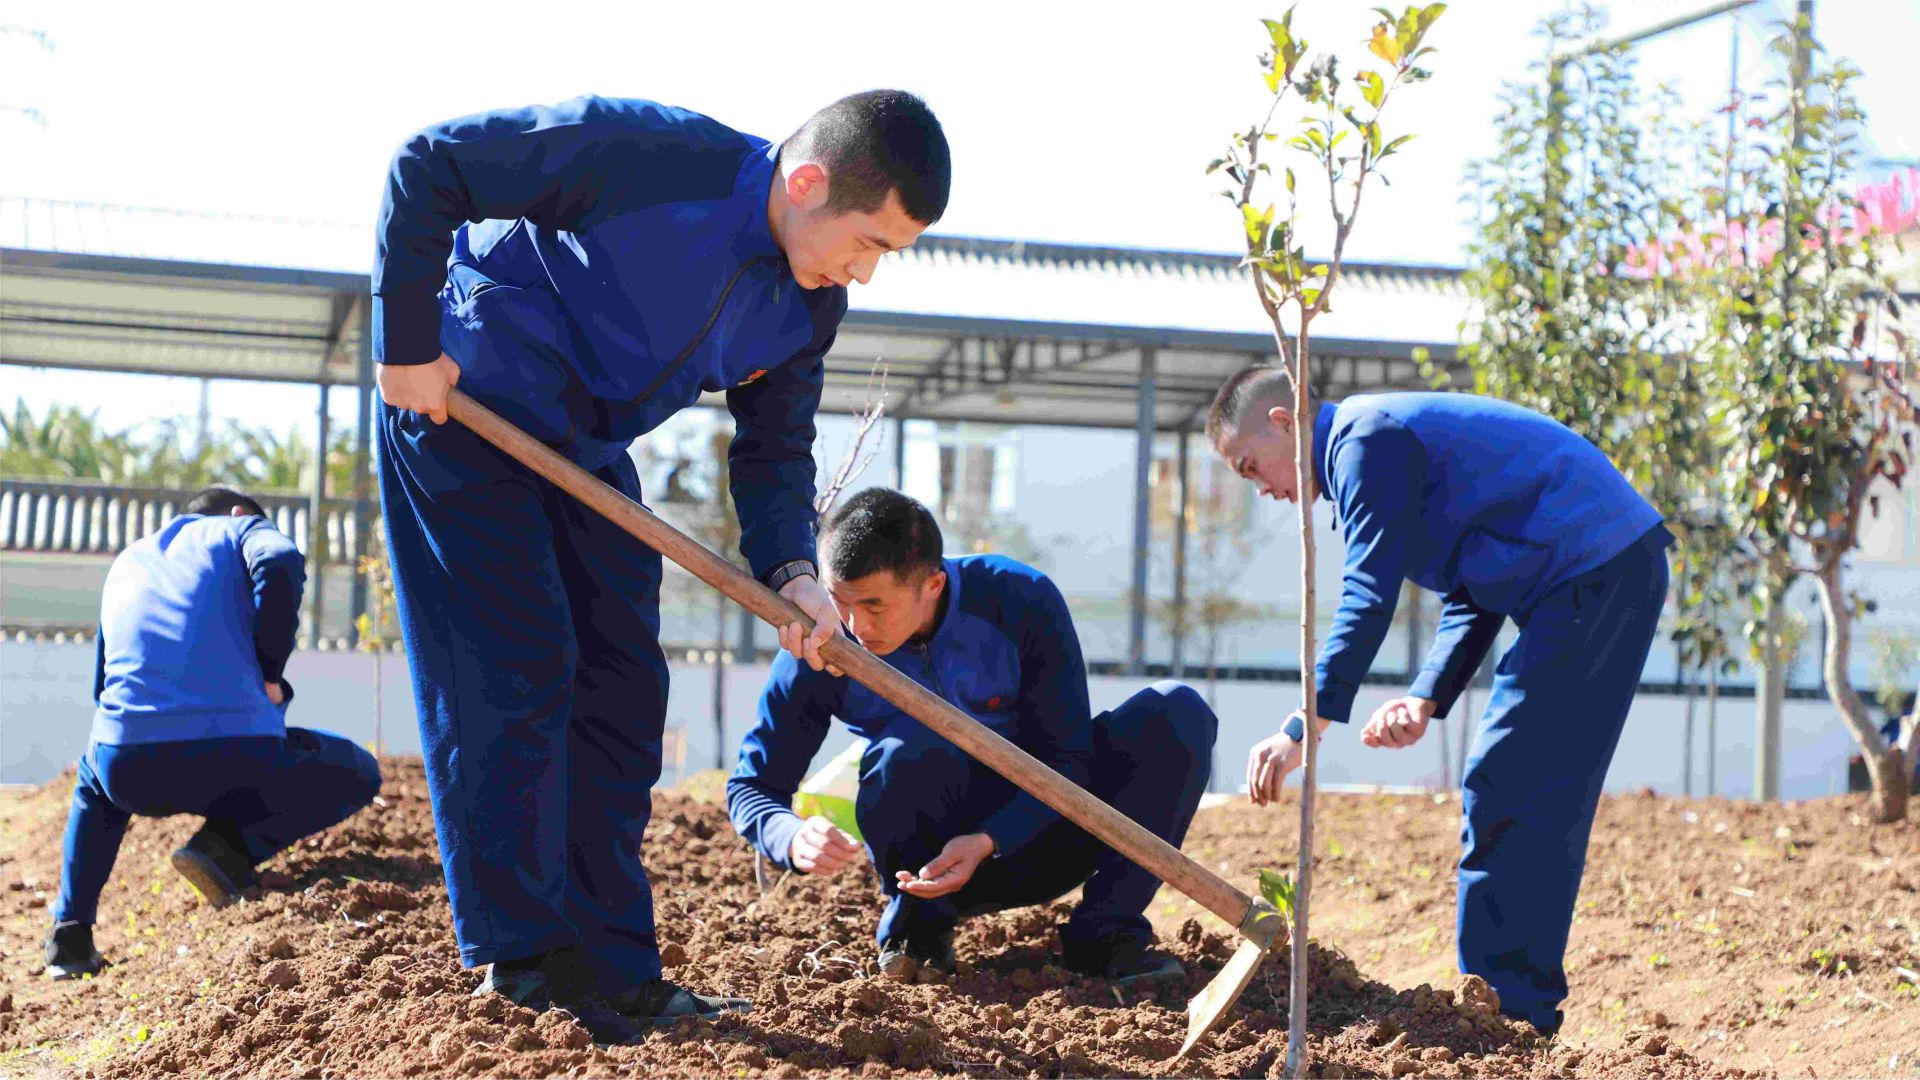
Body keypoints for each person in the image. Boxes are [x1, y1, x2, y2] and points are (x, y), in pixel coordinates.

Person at [371, 91, 950, 1038]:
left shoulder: (810, 306)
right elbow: (430, 162)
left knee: (624, 687)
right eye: (871, 242)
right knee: (517, 668)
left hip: (585, 444)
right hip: (464, 404)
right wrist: (407, 343)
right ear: (807, 184)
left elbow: (773, 452)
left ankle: (614, 965)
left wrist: (792, 572)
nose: (869, 273)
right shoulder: (651, 155)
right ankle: (524, 963)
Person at [1207, 368, 1673, 1035]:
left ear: (1285, 421)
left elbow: (1368, 597)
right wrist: (1425, 696)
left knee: (1515, 780)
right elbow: (1475, 577)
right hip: (1587, 576)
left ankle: (1508, 1015)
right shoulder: (1370, 446)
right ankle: (1510, 1006)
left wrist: (1299, 728)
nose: (1261, 491)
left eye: (1251, 466)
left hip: (1595, 569)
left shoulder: (1364, 442)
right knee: (1518, 780)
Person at [727, 488, 1217, 984]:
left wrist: (990, 839)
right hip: (927, 865)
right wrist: (788, 835)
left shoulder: (1017, 600)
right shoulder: (819, 643)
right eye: (840, 602)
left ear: (933, 584)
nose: (854, 626)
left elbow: (1068, 758)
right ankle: (917, 934)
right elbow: (752, 785)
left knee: (1176, 713)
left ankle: (1106, 936)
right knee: (911, 747)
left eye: (874, 606)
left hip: (1048, 832)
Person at [42, 486, 382, 980]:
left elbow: (102, 690)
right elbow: (282, 558)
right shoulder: (240, 526)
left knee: (95, 780)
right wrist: (269, 670)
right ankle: (226, 848)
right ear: (240, 512)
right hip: (241, 755)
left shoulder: (128, 561)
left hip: (128, 764)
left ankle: (69, 938)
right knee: (356, 769)